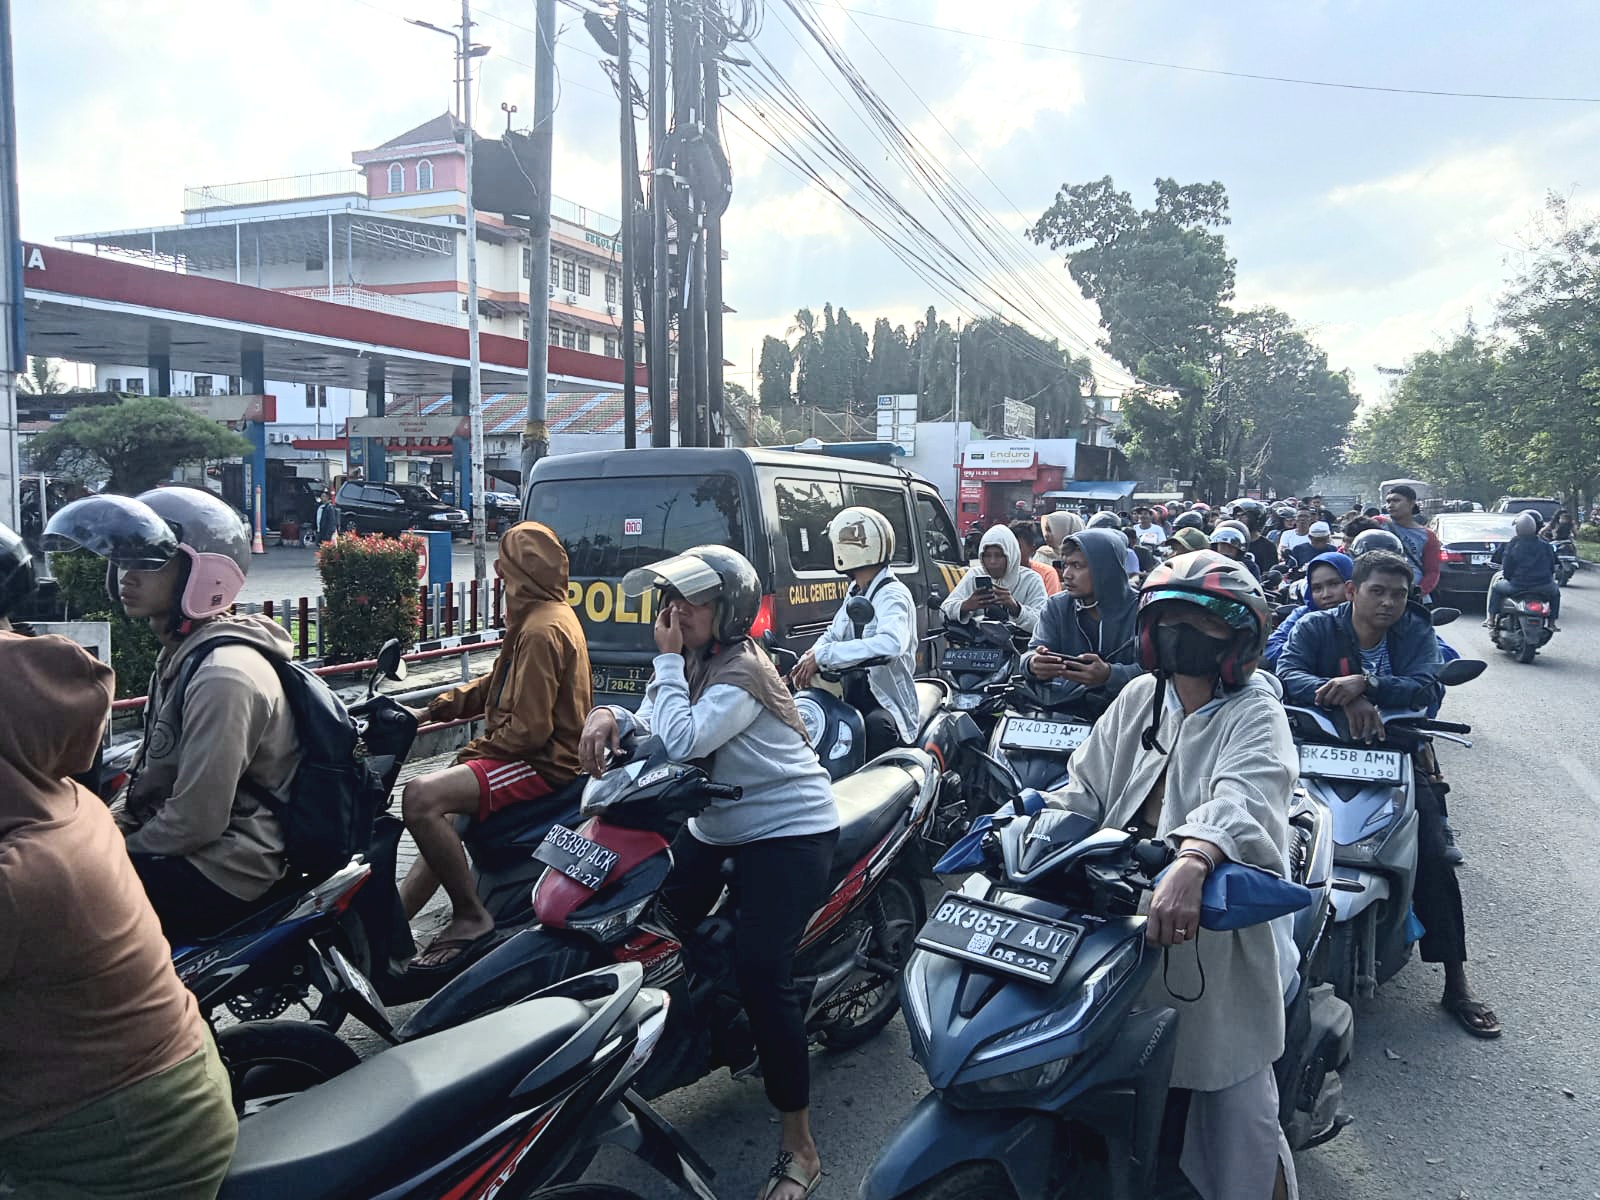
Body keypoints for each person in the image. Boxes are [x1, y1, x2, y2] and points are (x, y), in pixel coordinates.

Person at [578, 546, 837, 1200]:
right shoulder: (697, 661)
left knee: (761, 971)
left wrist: (662, 659)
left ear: (729, 610)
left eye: (691, 602)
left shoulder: (741, 672)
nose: (674, 612)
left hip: (788, 831)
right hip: (714, 824)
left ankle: (801, 1148)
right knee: (644, 921)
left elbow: (686, 738)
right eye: (670, 600)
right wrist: (611, 714)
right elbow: (657, 719)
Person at [1043, 552, 1299, 1199]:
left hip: (1211, 935)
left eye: (1202, 621)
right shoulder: (1138, 696)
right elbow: (1083, 787)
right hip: (1115, 921)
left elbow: (1245, 796)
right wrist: (1032, 831)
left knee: (1238, 1115)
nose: (1183, 631)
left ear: (1239, 639)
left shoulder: (1256, 711)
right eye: (1172, 618)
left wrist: (1194, 857)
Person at [0, 632, 238, 1200]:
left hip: (125, 1146)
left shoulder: (23, 870)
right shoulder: (70, 804)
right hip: (166, 1086)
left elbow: (199, 813)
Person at [43, 489, 300, 942]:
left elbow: (197, 819)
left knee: (54, 915)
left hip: (226, 866)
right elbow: (149, 771)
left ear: (203, 575)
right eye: (124, 561)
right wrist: (105, 829)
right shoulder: (183, 655)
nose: (127, 577)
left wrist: (109, 850)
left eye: (149, 563)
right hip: (188, 846)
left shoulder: (224, 676)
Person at [1277, 551, 1497, 1039]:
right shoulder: (1315, 626)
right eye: (1378, 591)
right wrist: (1348, 695)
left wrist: (1370, 681)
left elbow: (1425, 684)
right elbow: (1287, 672)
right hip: (1317, 747)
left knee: (1434, 856)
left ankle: (1456, 982)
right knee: (1276, 840)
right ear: (1354, 591)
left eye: (1398, 594)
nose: (1389, 603)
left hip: (1395, 748)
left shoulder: (1414, 629)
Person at [400, 522, 591, 970]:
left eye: (505, 562)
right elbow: (497, 682)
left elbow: (529, 733)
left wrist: (472, 755)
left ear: (520, 569)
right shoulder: (534, 617)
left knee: (420, 796)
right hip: (528, 753)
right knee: (440, 810)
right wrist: (432, 711)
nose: (500, 570)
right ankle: (393, 931)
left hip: (544, 763)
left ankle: (470, 914)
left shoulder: (543, 630)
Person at [792, 507, 918, 759]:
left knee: (875, 730)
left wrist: (826, 654)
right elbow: (834, 633)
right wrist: (810, 657)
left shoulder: (892, 594)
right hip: (851, 692)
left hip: (885, 701)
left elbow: (891, 644)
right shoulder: (857, 590)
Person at [1022, 528, 1142, 706]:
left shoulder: (1143, 609)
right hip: (1066, 710)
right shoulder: (1057, 606)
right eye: (1066, 565)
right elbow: (1032, 651)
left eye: (1077, 566)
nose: (1067, 575)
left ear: (1106, 569)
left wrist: (1110, 674)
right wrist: (1033, 664)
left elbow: (1159, 672)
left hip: (1129, 711)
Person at [941, 524, 1047, 632]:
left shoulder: (1031, 580)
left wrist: (1016, 608)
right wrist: (966, 605)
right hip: (979, 646)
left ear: (1011, 554)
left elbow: (1043, 623)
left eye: (999, 555)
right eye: (987, 556)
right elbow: (944, 610)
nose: (992, 561)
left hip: (1021, 646)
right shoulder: (975, 574)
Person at [1262, 551, 1353, 670]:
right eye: (1317, 588)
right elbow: (1272, 647)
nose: (1326, 594)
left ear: (1351, 585)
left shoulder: (1367, 614)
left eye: (1334, 584)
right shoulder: (1302, 615)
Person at [1487, 510, 1561, 626]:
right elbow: (1552, 567)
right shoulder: (1545, 545)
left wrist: (1510, 578)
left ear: (1518, 529)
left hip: (1517, 586)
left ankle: (1491, 619)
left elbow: (1507, 569)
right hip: (1543, 586)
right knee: (1555, 593)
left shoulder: (1514, 544)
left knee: (1496, 588)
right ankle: (1552, 623)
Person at [1382, 484, 1442, 600]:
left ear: (1411, 504)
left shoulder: (1428, 536)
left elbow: (1432, 572)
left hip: (1412, 598)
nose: (1390, 505)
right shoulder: (1378, 525)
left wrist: (1418, 592)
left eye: (1396, 500)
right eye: (1388, 501)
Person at [1009, 519, 1061, 597]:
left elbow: (1051, 606)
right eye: (1009, 547)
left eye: (1017, 547)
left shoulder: (1047, 574)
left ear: (1032, 549)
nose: (1012, 552)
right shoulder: (999, 572)